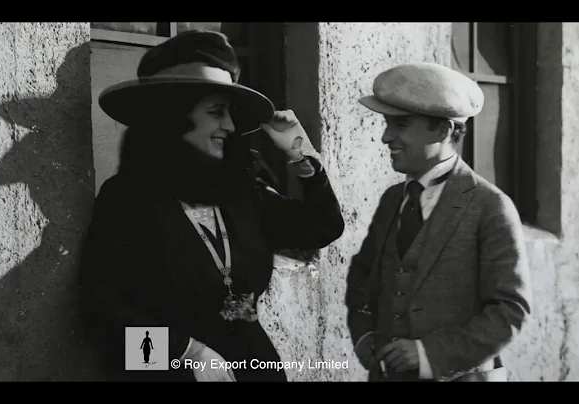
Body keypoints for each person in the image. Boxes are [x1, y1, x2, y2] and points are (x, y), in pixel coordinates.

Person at [79, 30, 345, 382]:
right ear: (173, 117)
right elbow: (100, 312)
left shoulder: (241, 194)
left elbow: (324, 226)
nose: (231, 125)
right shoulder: (126, 199)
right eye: (216, 112)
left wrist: (301, 152)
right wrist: (186, 353)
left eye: (231, 113)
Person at [345, 62, 532, 382]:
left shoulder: (489, 206)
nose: (386, 137)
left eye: (401, 125)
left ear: (444, 130)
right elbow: (363, 275)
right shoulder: (393, 200)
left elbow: (510, 311)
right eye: (388, 124)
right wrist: (364, 337)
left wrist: (429, 353)